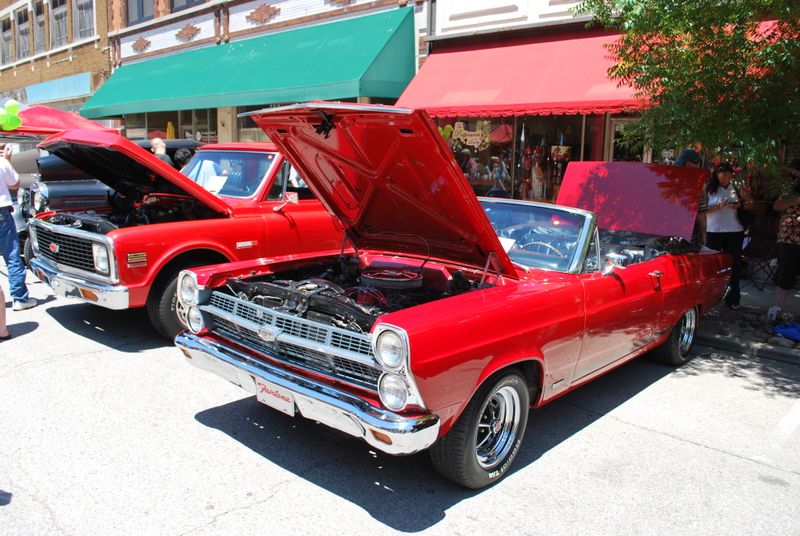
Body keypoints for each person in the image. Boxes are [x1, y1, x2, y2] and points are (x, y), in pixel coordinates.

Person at [0, 144, 36, 311]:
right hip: (1, 213)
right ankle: (20, 298)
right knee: (12, 255)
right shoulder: (2, 162)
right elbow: (15, 184)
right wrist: (7, 160)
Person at [705, 162, 744, 309]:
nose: (726, 178)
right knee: (712, 266)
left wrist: (738, 204)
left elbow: (745, 203)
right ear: (716, 175)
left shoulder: (735, 187)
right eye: (723, 175)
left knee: (734, 265)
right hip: (713, 231)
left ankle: (733, 299)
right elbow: (701, 209)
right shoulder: (708, 188)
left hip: (735, 231)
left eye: (729, 175)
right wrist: (719, 206)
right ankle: (709, 298)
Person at [767, 162, 800, 322]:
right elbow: (777, 205)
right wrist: (794, 201)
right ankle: (779, 307)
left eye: (796, 172)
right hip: (789, 237)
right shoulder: (792, 190)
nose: (795, 175)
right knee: (786, 272)